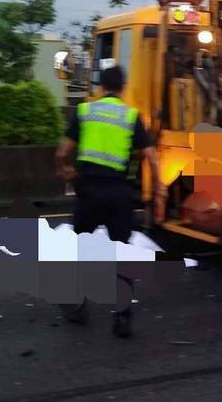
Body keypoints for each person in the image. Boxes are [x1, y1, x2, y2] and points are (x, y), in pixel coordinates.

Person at [55, 65, 164, 337]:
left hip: (89, 192)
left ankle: (76, 307)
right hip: (119, 194)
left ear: (101, 86)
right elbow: (150, 156)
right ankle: (122, 316)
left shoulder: (84, 111)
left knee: (79, 249)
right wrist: (160, 188)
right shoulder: (130, 116)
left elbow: (62, 153)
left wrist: (66, 170)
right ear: (123, 87)